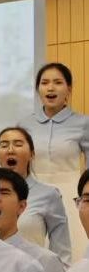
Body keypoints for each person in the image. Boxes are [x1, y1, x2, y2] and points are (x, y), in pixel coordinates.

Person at [20, 62, 89, 261]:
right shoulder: (25, 124)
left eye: (58, 82)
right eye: (45, 83)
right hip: (33, 194)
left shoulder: (83, 123)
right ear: (38, 89)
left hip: (70, 194)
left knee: (72, 251)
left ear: (69, 89)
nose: (50, 88)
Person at [0, 126, 73, 267]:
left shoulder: (49, 194)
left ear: (32, 154)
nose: (10, 150)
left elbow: (62, 255)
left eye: (18, 144)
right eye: (4, 145)